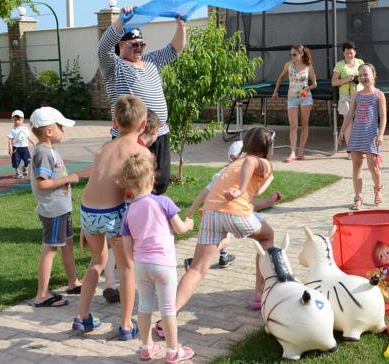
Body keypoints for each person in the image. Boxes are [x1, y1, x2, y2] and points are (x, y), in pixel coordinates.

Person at [152, 128, 277, 337]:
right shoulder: (260, 162)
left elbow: (253, 192)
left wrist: (265, 196)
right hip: (235, 213)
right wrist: (240, 189)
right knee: (267, 236)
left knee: (197, 268)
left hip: (211, 213)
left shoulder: (232, 164)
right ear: (268, 148)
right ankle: (261, 292)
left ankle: (166, 320)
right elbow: (251, 163)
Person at [73, 95, 148, 339]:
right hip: (113, 213)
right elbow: (142, 192)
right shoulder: (139, 151)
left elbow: (96, 181)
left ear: (115, 122)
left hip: (87, 210)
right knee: (126, 266)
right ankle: (126, 324)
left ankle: (82, 317)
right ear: (144, 125)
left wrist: (86, 226)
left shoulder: (104, 148)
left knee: (97, 261)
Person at [98, 5, 186, 195]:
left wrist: (181, 26)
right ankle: (132, 217)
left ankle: (151, 215)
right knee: (132, 182)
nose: (139, 48)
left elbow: (175, 49)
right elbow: (103, 47)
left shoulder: (152, 61)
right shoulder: (114, 66)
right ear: (121, 45)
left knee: (159, 181)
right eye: (134, 44)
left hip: (159, 132)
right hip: (131, 135)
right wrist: (122, 19)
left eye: (142, 44)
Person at [119, 151, 195, 362]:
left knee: (144, 307)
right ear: (152, 180)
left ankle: (146, 346)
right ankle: (173, 350)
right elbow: (179, 228)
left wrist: (133, 262)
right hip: (163, 265)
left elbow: (127, 244)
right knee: (168, 308)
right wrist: (189, 224)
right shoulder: (163, 202)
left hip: (142, 265)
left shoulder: (128, 211)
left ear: (129, 186)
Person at [182, 140, 283, 270]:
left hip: (213, 213)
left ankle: (211, 257)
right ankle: (213, 258)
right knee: (263, 234)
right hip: (234, 213)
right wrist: (268, 180)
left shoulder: (225, 171)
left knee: (221, 236)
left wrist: (190, 211)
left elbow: (205, 193)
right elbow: (256, 193)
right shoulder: (245, 169)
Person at [102, 109, 162, 305]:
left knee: (113, 244)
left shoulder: (117, 145)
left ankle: (110, 284)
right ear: (149, 129)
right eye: (157, 134)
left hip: (110, 203)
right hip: (132, 202)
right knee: (132, 246)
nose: (157, 138)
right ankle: (133, 283)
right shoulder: (141, 151)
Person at [28, 106, 81, 307]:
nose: (63, 131)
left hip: (61, 207)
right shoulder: (43, 153)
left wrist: (66, 192)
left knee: (67, 244)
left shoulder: (49, 150)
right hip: (53, 211)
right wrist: (69, 179)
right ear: (49, 131)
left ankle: (72, 282)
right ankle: (42, 295)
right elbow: (43, 183)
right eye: (60, 127)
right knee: (50, 249)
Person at [337, 64, 387, 210]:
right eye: (361, 75)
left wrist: (381, 134)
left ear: (373, 75)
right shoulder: (356, 96)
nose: (363, 78)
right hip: (356, 135)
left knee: (373, 167)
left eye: (366, 74)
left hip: (371, 135)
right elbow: (349, 115)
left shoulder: (378, 94)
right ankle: (358, 196)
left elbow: (383, 117)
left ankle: (378, 189)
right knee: (356, 166)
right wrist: (342, 131)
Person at [272, 44, 318, 162]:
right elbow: (280, 77)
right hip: (292, 97)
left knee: (304, 124)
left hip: (305, 97)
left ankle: (301, 151)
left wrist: (308, 88)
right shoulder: (288, 65)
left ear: (301, 54)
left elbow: (314, 84)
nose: (292, 56)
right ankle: (292, 153)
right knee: (293, 126)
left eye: (294, 54)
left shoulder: (308, 66)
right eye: (291, 54)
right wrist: (275, 91)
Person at [331, 41, 366, 159]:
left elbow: (367, 76)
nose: (349, 55)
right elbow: (334, 82)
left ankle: (361, 148)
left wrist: (359, 79)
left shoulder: (360, 62)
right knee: (348, 122)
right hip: (345, 96)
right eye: (347, 53)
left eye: (351, 53)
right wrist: (347, 79)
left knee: (361, 121)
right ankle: (350, 150)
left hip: (360, 95)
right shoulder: (339, 65)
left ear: (355, 52)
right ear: (343, 53)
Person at [7, 109, 34, 179]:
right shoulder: (13, 130)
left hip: (24, 148)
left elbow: (29, 137)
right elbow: (10, 140)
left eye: (19, 120)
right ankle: (17, 173)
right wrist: (10, 148)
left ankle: (25, 167)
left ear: (22, 120)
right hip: (16, 149)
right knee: (16, 161)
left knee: (28, 160)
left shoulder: (25, 129)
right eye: (15, 120)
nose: (17, 121)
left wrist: (34, 143)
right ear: (13, 120)